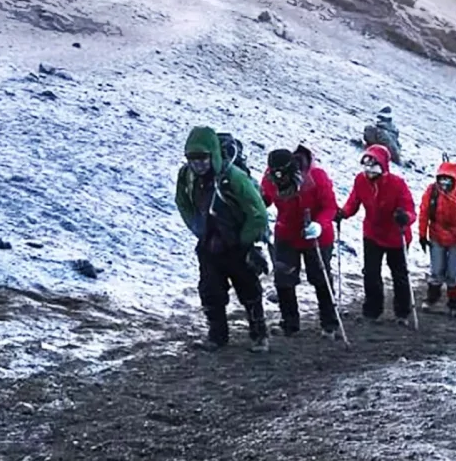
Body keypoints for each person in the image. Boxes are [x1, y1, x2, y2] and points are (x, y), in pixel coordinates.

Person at [174, 126, 270, 352]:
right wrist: (199, 230)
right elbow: (182, 202)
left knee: (249, 290)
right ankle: (217, 336)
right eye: (192, 159)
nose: (198, 164)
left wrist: (243, 240)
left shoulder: (233, 178)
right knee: (210, 291)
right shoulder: (186, 176)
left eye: (203, 158)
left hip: (237, 244)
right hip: (209, 244)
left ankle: (259, 335)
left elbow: (258, 213)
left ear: (212, 155)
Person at [260, 147, 341, 338]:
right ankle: (289, 323)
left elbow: (330, 206)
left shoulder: (317, 177)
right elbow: (264, 199)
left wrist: (319, 225)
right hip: (287, 233)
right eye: (275, 176)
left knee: (320, 277)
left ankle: (329, 323)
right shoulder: (269, 180)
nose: (279, 181)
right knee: (283, 277)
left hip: (316, 234)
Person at [340, 144, 416, 324]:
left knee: (399, 274)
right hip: (372, 233)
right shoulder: (360, 180)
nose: (369, 171)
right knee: (371, 272)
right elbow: (353, 202)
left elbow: (410, 209)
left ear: (383, 166)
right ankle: (372, 310)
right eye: (366, 166)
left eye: (374, 166)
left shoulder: (397, 184)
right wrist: (343, 213)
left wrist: (404, 217)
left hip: (397, 235)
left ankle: (402, 313)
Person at [419, 159, 456, 317]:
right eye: (441, 179)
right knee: (436, 269)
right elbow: (424, 213)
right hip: (437, 234)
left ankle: (454, 304)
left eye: (448, 179)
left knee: (455, 272)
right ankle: (432, 298)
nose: (444, 183)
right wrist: (422, 235)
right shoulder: (432, 191)